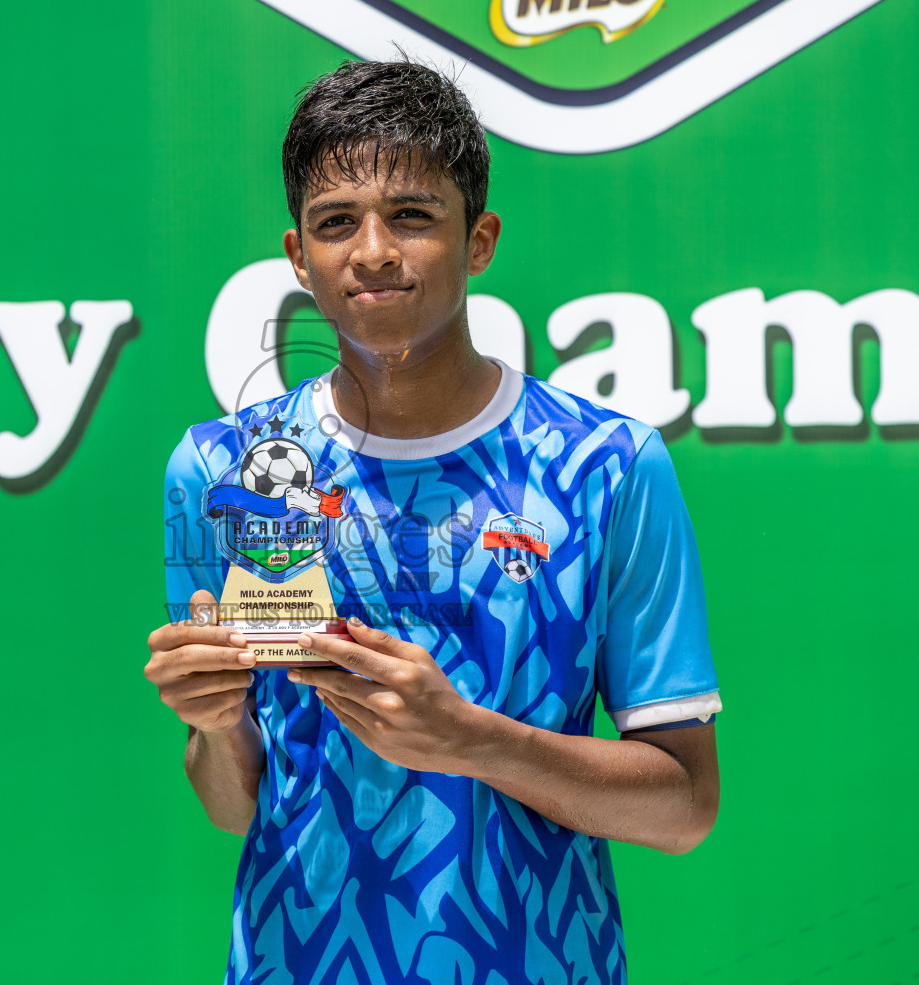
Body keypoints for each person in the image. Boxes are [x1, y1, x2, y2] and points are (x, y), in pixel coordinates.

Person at [145, 60, 720, 985]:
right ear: (298, 255)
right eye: (337, 223)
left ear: (479, 239)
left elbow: (685, 806)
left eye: (411, 215)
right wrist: (215, 727)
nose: (372, 250)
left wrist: (469, 739)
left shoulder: (608, 466)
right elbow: (231, 802)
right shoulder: (228, 469)